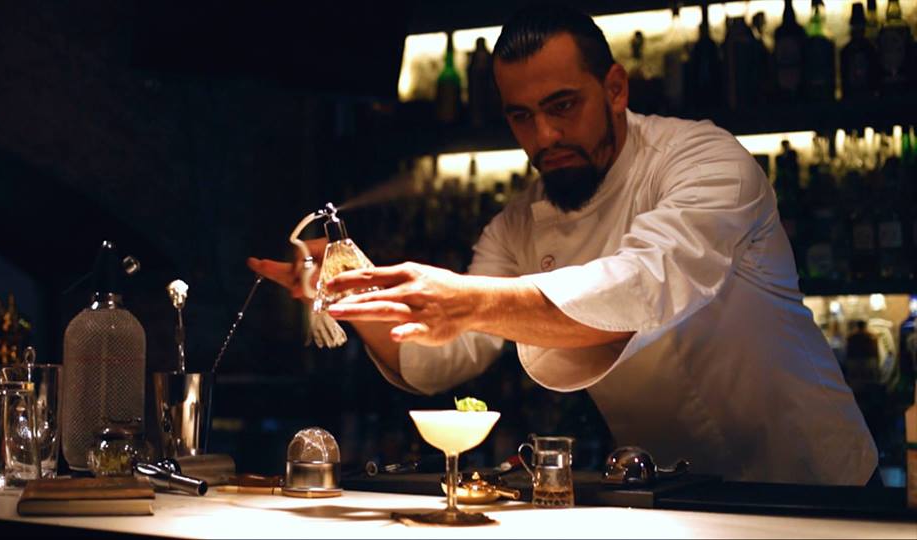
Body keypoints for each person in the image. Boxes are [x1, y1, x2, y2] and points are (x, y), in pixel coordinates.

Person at [248, 4, 877, 485]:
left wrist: (468, 300)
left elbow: (645, 285)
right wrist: (351, 289)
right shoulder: (518, 225)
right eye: (521, 116)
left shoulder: (704, 160)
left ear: (616, 88)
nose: (544, 135)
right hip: (669, 493)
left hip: (814, 483)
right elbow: (441, 360)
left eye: (563, 106)